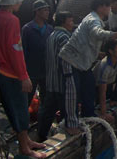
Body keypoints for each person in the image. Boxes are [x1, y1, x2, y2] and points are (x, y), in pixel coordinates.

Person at [58, 0, 117, 135]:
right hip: (71, 60)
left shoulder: (95, 20)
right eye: (108, 6)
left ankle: (89, 115)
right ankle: (70, 124)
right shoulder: (93, 20)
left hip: (83, 63)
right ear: (101, 7)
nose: (110, 9)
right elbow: (97, 34)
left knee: (89, 87)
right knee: (72, 92)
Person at [0, 0, 47, 158]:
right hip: (11, 72)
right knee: (19, 109)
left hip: (1, 71)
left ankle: (26, 141)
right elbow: (16, 50)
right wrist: (24, 75)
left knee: (15, 109)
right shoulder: (12, 20)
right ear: (13, 2)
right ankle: (24, 148)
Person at [37, 11, 74, 142]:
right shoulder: (64, 37)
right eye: (70, 21)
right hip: (62, 81)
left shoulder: (51, 36)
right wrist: (70, 78)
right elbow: (67, 60)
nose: (72, 23)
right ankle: (65, 137)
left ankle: (41, 136)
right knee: (66, 112)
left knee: (48, 112)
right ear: (63, 22)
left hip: (51, 82)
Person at [22, 0, 53, 106]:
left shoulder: (49, 29)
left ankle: (42, 121)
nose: (47, 12)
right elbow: (23, 51)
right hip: (32, 71)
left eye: (48, 10)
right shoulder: (27, 29)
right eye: (45, 10)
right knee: (27, 98)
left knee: (45, 99)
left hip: (46, 70)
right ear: (37, 12)